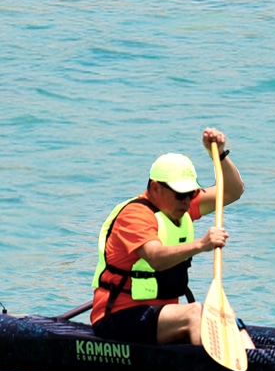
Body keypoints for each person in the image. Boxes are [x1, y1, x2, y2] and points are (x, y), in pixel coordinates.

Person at [90, 127, 245, 346]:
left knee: (223, 313)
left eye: (191, 193)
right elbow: (156, 257)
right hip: (118, 317)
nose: (186, 200)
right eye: (180, 194)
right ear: (155, 188)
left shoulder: (180, 207)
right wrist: (201, 244)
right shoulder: (135, 215)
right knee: (195, 312)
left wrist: (218, 154)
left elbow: (232, 191)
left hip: (161, 316)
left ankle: (254, 363)